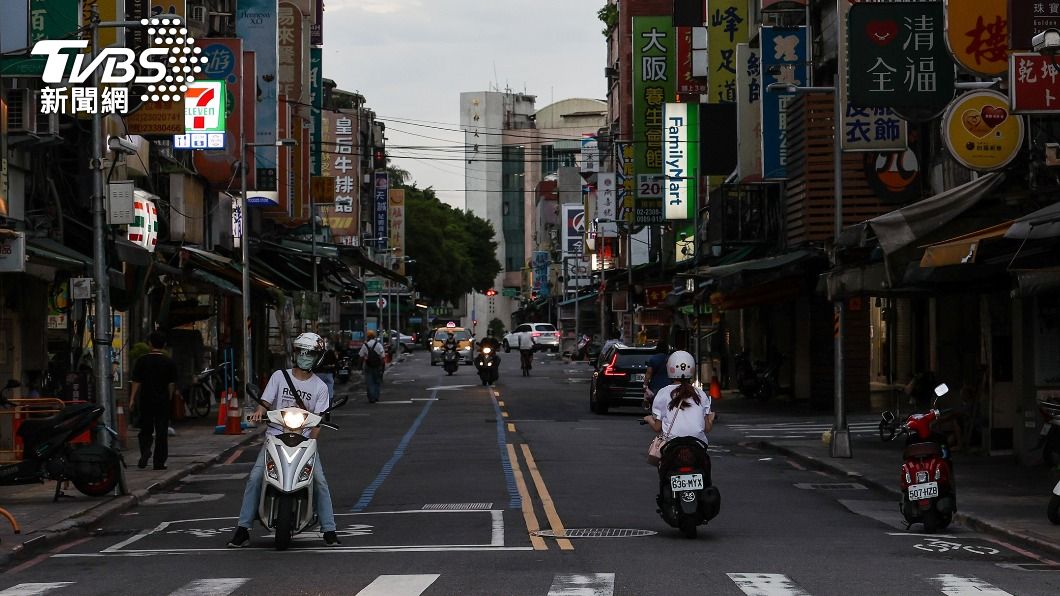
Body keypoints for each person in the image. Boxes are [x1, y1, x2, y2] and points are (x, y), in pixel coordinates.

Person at [228, 332, 340, 547]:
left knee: (319, 482)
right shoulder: (279, 377)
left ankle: (329, 529)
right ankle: (243, 529)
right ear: (295, 353)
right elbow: (265, 403)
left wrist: (312, 442)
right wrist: (258, 412)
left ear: (318, 357)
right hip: (275, 438)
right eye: (302, 352)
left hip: (305, 442)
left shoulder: (320, 387)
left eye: (311, 354)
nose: (306, 357)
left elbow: (318, 424)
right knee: (255, 478)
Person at [128, 331, 180, 470]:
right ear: (164, 345)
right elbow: (171, 384)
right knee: (161, 431)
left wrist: (132, 399)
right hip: (162, 400)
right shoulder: (169, 362)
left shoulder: (141, 361)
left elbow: (136, 382)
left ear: (149, 344)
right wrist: (168, 399)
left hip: (145, 400)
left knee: (145, 428)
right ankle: (159, 462)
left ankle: (145, 450)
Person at [643, 350, 716, 446]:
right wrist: (711, 418)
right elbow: (707, 428)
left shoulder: (663, 393)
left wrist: (648, 419)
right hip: (698, 444)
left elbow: (657, 427)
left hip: (671, 444)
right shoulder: (700, 394)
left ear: (669, 368)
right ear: (692, 369)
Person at [642, 340, 672, 408]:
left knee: (656, 406)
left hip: (655, 386)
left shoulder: (653, 359)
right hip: (668, 385)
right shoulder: (670, 358)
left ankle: (656, 417)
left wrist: (645, 385)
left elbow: (648, 373)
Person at [359, 330, 386, 404]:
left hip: (368, 366)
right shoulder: (378, 345)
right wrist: (382, 366)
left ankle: (371, 398)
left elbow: (361, 355)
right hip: (377, 366)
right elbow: (383, 356)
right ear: (374, 337)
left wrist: (360, 365)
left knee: (369, 382)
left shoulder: (365, 345)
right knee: (377, 381)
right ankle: (376, 397)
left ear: (368, 337)